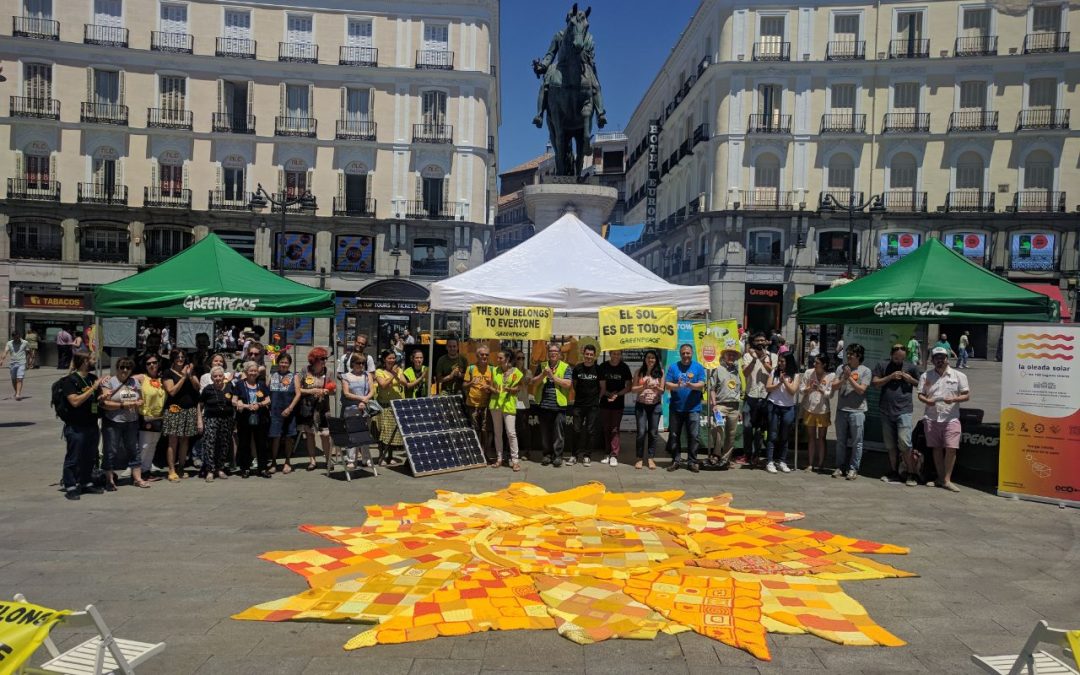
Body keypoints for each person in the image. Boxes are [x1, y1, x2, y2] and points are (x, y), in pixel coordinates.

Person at [918, 347, 970, 493]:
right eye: (936, 358)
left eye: (942, 357)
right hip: (932, 417)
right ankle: (940, 478)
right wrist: (926, 401)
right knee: (936, 448)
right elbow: (920, 394)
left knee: (951, 448)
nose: (940, 360)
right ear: (932, 360)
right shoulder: (926, 376)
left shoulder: (959, 375)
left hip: (951, 417)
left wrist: (954, 399)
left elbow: (966, 395)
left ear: (948, 359)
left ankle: (947, 479)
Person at [872, 344, 922, 485]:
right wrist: (890, 377)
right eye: (896, 358)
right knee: (890, 444)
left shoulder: (911, 367)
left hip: (904, 410)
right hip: (886, 410)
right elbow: (875, 383)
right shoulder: (882, 365)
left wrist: (909, 379)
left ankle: (912, 473)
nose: (899, 360)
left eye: (901, 358)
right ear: (891, 355)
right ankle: (894, 471)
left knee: (905, 442)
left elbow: (921, 384)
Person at [59, 352, 105, 500]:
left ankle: (86, 482)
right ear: (84, 361)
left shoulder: (92, 378)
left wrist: (103, 396)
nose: (94, 361)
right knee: (74, 457)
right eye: (91, 359)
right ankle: (70, 485)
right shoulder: (69, 381)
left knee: (90, 456)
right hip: (76, 426)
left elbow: (96, 399)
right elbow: (74, 401)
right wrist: (92, 389)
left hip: (91, 424)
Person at [100, 358, 148, 490]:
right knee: (110, 450)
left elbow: (140, 398)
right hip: (113, 422)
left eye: (128, 368)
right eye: (122, 367)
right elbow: (105, 403)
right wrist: (123, 405)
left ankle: (137, 478)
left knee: (134, 449)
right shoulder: (110, 382)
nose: (125, 370)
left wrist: (139, 403)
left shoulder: (134, 382)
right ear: (117, 368)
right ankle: (109, 479)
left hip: (131, 421)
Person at [831, 343, 871, 480]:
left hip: (857, 411)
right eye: (847, 353)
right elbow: (834, 386)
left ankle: (853, 469)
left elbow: (861, 390)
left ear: (858, 356)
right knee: (840, 441)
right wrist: (844, 378)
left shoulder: (865, 371)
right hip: (842, 410)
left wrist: (850, 378)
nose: (848, 356)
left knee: (857, 442)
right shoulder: (840, 368)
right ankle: (839, 467)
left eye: (851, 354)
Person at [665, 344, 706, 473]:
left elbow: (702, 384)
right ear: (680, 353)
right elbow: (667, 384)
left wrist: (691, 385)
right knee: (674, 435)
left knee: (694, 436)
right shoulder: (673, 367)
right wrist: (676, 386)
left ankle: (692, 462)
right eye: (683, 353)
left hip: (693, 408)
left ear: (692, 353)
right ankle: (676, 461)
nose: (685, 355)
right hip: (676, 408)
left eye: (688, 353)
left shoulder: (698, 367)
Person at [292, 347, 334, 472]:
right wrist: (312, 391)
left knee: (325, 435)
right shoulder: (305, 370)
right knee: (309, 434)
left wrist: (327, 390)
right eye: (321, 359)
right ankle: (312, 461)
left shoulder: (329, 372)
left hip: (322, 408)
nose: (324, 361)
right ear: (314, 359)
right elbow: (297, 389)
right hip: (308, 407)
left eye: (325, 358)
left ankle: (328, 460)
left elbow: (333, 390)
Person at [162, 349, 200, 482]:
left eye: (182, 357)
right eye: (177, 357)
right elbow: (171, 391)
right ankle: (171, 469)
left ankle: (181, 467)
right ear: (172, 358)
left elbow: (197, 387)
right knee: (173, 441)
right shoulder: (168, 373)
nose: (180, 359)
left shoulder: (190, 371)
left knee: (185, 439)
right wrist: (183, 377)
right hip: (174, 410)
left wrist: (189, 375)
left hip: (189, 410)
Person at [706, 342, 743, 469]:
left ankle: (726, 458)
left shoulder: (737, 371)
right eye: (729, 354)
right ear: (724, 356)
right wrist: (714, 404)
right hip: (720, 405)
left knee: (731, 434)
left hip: (734, 406)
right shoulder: (717, 369)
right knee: (718, 428)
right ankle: (716, 454)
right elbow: (712, 388)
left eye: (733, 355)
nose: (731, 357)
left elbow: (739, 390)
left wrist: (739, 410)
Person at [233, 361, 272, 478]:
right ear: (246, 372)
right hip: (244, 418)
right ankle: (245, 469)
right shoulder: (240, 384)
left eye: (255, 371)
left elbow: (268, 400)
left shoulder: (261, 384)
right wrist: (245, 406)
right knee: (244, 443)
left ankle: (263, 468)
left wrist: (259, 404)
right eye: (251, 371)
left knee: (261, 443)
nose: (253, 373)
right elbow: (234, 400)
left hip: (260, 417)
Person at [535, 343, 572, 467]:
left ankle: (557, 456)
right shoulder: (541, 366)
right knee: (545, 433)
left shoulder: (565, 367)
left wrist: (552, 376)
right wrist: (543, 375)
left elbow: (567, 384)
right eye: (551, 351)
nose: (553, 353)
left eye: (555, 351)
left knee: (558, 434)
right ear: (548, 353)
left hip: (559, 406)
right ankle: (547, 455)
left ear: (560, 354)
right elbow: (533, 382)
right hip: (544, 405)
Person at [764, 351, 800, 474]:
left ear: (788, 362)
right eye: (779, 361)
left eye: (782, 361)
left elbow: (793, 391)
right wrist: (778, 382)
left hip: (788, 406)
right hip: (773, 404)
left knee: (785, 435)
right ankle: (769, 460)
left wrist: (784, 381)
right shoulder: (774, 371)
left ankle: (782, 461)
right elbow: (768, 387)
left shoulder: (795, 375)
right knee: (773, 434)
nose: (780, 364)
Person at [197, 366, 235, 482]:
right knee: (210, 444)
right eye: (215, 376)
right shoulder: (208, 389)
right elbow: (200, 404)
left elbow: (234, 401)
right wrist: (199, 420)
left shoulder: (229, 386)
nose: (218, 378)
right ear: (211, 378)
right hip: (211, 419)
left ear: (224, 376)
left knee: (224, 444)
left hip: (227, 419)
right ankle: (210, 470)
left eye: (220, 376)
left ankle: (220, 468)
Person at [489, 348, 524, 471]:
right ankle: (499, 458)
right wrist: (492, 389)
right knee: (497, 432)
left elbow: (519, 388)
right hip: (496, 404)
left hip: (508, 404)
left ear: (507, 359)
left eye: (500, 358)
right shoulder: (494, 370)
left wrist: (511, 390)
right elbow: (492, 387)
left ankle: (515, 460)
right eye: (497, 358)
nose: (498, 360)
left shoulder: (516, 372)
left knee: (511, 433)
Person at [741, 332, 772, 466]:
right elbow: (745, 373)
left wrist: (763, 359)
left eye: (762, 340)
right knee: (747, 426)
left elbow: (772, 371)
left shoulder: (773, 356)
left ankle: (756, 454)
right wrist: (754, 359)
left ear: (766, 342)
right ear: (753, 342)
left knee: (760, 429)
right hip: (750, 395)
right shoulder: (747, 356)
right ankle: (747, 453)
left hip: (764, 396)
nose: (760, 342)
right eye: (757, 340)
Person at [568, 344, 601, 467]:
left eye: (591, 355)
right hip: (578, 405)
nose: (588, 356)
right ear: (583, 354)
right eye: (587, 354)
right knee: (576, 430)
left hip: (592, 406)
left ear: (594, 356)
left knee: (590, 430)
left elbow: (602, 387)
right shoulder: (577, 368)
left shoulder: (598, 369)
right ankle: (574, 455)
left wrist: (596, 399)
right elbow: (575, 385)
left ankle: (587, 456)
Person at [340, 353, 374, 470]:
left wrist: (365, 401)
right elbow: (346, 393)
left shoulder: (367, 375)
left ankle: (366, 458)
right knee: (352, 435)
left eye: (363, 363)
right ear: (353, 363)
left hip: (365, 408)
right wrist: (361, 399)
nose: (361, 365)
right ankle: (351, 459)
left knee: (365, 434)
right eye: (358, 363)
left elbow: (371, 391)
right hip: (351, 409)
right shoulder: (346, 376)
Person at [598, 349, 632, 466]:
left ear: (621, 355)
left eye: (618, 354)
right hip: (605, 402)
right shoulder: (603, 366)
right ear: (610, 354)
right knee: (606, 428)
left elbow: (629, 386)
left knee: (615, 429)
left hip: (618, 403)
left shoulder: (624, 367)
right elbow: (599, 385)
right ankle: (607, 453)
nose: (616, 356)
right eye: (614, 354)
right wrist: (608, 394)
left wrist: (617, 395)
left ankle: (614, 455)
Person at [801, 355, 834, 473]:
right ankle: (810, 464)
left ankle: (820, 464)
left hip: (823, 410)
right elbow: (801, 389)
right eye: (814, 362)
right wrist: (809, 388)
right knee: (811, 437)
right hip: (809, 408)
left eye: (817, 363)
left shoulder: (831, 376)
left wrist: (820, 389)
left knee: (822, 437)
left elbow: (830, 394)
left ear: (824, 365)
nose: (814, 365)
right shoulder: (808, 373)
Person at [135, 355, 166, 481]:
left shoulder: (162, 379)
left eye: (154, 362)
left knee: (153, 445)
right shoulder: (142, 377)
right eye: (149, 364)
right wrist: (106, 378)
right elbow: (123, 378)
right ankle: (138, 473)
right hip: (146, 416)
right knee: (144, 446)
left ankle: (146, 471)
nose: (152, 365)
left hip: (159, 417)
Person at [631, 350, 664, 470]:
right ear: (645, 359)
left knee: (653, 433)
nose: (651, 360)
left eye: (653, 358)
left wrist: (656, 388)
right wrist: (643, 386)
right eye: (648, 357)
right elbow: (633, 389)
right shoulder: (639, 372)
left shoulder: (660, 372)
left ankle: (650, 458)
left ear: (656, 360)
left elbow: (662, 391)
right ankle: (639, 458)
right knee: (641, 433)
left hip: (655, 406)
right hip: (641, 406)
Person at [372, 350, 406, 465]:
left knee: (392, 432)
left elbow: (404, 383)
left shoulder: (399, 370)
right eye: (390, 358)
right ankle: (381, 455)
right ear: (384, 359)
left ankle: (390, 456)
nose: (392, 360)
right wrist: (392, 375)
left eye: (393, 358)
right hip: (383, 405)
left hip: (395, 405)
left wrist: (396, 373)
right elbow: (383, 385)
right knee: (382, 432)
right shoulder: (379, 371)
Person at [268, 352, 298, 474]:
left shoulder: (294, 376)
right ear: (278, 363)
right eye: (282, 362)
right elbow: (267, 392)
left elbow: (298, 394)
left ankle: (287, 461)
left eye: (286, 362)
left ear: (289, 364)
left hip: (289, 411)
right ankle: (274, 462)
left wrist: (290, 408)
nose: (284, 364)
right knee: (275, 437)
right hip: (275, 411)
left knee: (289, 437)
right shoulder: (272, 375)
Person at [463, 346, 495, 459]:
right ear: (477, 356)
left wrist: (489, 386)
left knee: (485, 429)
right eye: (482, 354)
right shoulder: (471, 368)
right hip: (472, 404)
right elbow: (464, 385)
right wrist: (472, 382)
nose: (484, 356)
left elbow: (495, 387)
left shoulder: (492, 369)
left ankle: (486, 451)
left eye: (486, 354)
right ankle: (476, 452)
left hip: (486, 404)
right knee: (475, 429)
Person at [1, 331, 28, 401]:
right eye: (15, 337)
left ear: (19, 336)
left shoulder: (25, 342)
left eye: (18, 337)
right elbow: (5, 352)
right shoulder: (9, 343)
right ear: (13, 337)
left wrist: (29, 361)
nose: (16, 339)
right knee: (13, 379)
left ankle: (18, 394)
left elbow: (28, 351)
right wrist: (1, 360)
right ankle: (16, 392)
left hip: (21, 362)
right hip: (12, 363)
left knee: (19, 378)